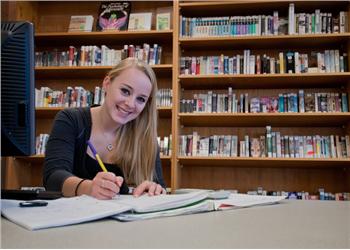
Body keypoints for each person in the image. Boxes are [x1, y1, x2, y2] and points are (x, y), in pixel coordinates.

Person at [43, 58, 166, 200]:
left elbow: (159, 187)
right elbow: (52, 177)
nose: (130, 104)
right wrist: (89, 188)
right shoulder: (71, 120)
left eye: (141, 99)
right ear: (107, 83)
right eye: (125, 91)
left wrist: (155, 190)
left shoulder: (146, 139)